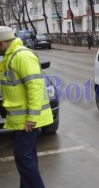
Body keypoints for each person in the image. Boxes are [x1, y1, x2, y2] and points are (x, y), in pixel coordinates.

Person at [0, 26, 53, 188]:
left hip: (28, 119)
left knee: (24, 158)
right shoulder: (10, 56)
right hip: (21, 118)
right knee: (27, 157)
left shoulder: (21, 56)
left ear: (1, 44)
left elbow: (35, 87)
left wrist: (32, 117)